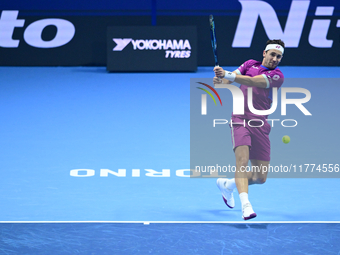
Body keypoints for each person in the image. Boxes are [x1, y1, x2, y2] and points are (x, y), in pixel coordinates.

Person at [213, 39, 285, 220]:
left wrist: (227, 75)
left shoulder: (277, 76)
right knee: (242, 162)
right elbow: (226, 83)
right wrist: (220, 80)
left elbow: (252, 81)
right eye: (273, 54)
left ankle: (228, 185)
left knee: (260, 178)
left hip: (260, 124)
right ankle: (246, 205)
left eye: (279, 56)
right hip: (240, 119)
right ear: (264, 53)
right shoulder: (249, 64)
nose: (275, 59)